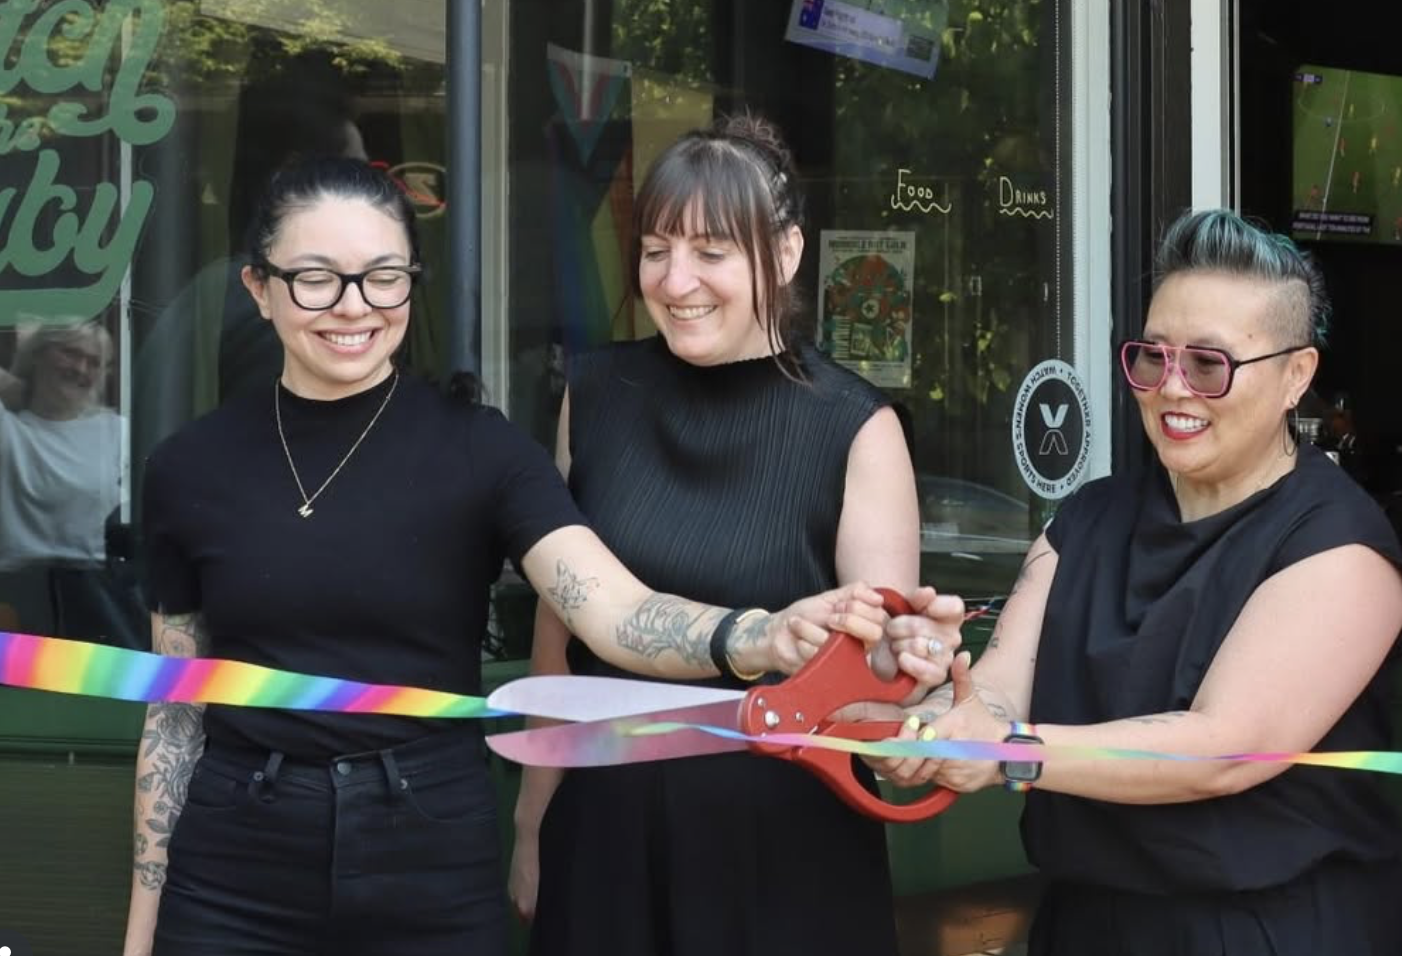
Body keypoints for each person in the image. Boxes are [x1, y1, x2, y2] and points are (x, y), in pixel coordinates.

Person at [121, 156, 892, 956]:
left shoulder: (482, 451)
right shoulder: (188, 468)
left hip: (428, 849)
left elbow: (615, 612)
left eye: (384, 277)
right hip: (234, 859)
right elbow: (175, 717)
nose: (353, 307)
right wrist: (143, 933)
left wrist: (757, 636)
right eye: (316, 278)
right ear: (258, 287)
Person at [881, 209, 1402, 955]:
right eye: (1152, 357)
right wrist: (935, 725)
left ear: (1297, 376)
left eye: (1209, 364)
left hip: (1273, 928)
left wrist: (1011, 750)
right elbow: (996, 691)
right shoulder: (1084, 519)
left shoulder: (1339, 547)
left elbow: (1224, 751)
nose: (1172, 388)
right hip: (1085, 922)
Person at [513, 114, 958, 956]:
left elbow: (872, 680)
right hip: (604, 827)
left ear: (784, 254)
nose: (677, 280)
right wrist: (535, 817)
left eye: (712, 251)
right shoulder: (597, 395)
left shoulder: (854, 425)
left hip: (784, 842)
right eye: (656, 248)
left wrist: (910, 659)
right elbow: (557, 630)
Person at [0, 321, 142, 647]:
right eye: (69, 353)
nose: (81, 368)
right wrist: (17, 388)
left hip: (94, 597)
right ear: (37, 355)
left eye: (94, 362)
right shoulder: (9, 428)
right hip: (17, 599)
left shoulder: (116, 432)